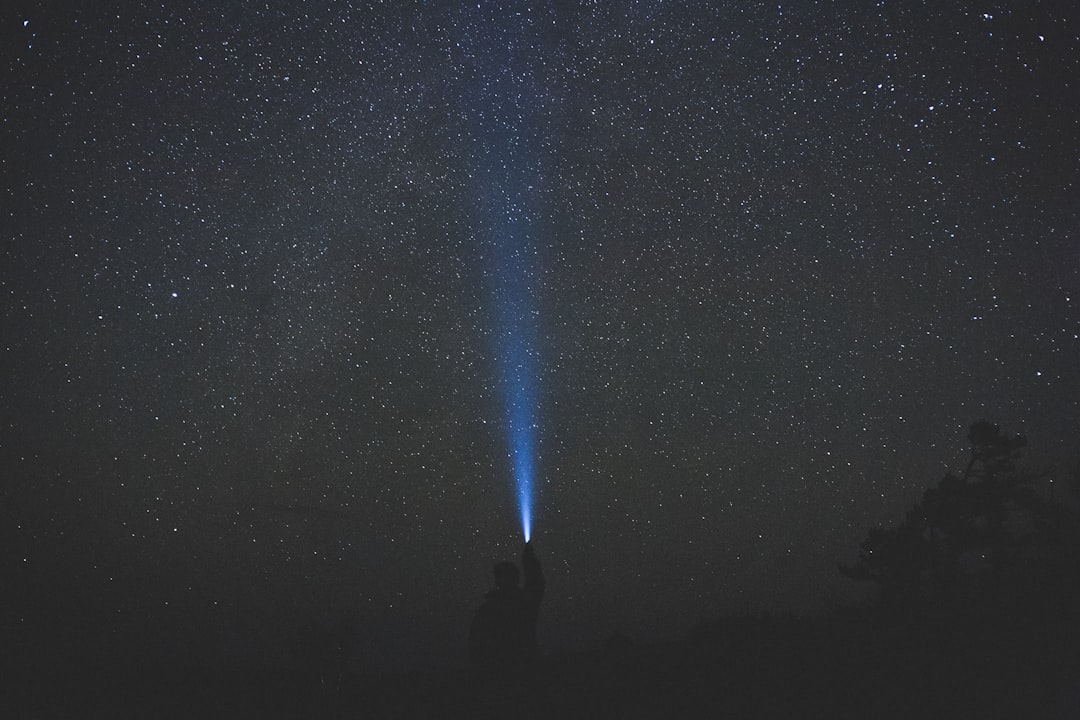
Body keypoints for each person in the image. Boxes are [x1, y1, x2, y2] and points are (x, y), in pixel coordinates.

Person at [469, 541, 545, 672]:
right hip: (523, 665)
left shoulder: (488, 608)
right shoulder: (524, 601)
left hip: (499, 668)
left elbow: (475, 641)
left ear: (496, 580)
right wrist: (529, 559)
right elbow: (536, 584)